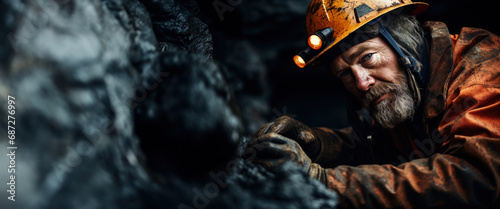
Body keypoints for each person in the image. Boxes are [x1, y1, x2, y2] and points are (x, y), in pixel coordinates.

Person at [244, 0, 500, 208]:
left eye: (367, 57)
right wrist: (318, 144)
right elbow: (379, 149)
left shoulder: (483, 75)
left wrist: (323, 181)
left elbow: (475, 179)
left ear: (405, 43)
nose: (361, 82)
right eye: (345, 73)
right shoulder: (409, 90)